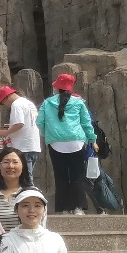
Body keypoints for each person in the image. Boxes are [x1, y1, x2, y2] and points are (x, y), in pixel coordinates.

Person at [37, 73, 97, 215]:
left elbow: (39, 122)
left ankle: (63, 208)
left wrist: (48, 135)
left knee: (61, 176)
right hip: (77, 142)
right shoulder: (79, 102)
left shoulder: (47, 103)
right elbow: (86, 123)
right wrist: (92, 139)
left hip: (55, 143)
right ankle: (78, 208)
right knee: (77, 176)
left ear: (57, 88)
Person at [0, 85, 42, 181]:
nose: (6, 105)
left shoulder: (16, 104)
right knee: (26, 176)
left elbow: (19, 124)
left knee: (26, 179)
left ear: (7, 97)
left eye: (4, 102)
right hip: (33, 146)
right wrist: (11, 127)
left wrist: (6, 132)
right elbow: (29, 123)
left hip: (23, 147)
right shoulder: (29, 103)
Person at [0, 147, 35, 232]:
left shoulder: (31, 194)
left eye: (15, 162)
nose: (10, 166)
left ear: (23, 166)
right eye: (6, 162)